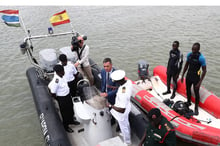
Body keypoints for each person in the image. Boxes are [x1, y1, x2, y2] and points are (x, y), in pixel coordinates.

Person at [48, 64, 80, 133]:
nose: (64, 72)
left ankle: (71, 120)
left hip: (68, 95)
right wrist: (58, 99)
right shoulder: (56, 81)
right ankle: (66, 126)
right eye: (62, 71)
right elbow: (53, 92)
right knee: (65, 113)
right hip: (62, 98)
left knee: (71, 108)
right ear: (58, 72)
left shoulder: (62, 76)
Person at [106, 70, 132, 145]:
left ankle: (127, 142)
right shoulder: (128, 82)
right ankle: (126, 135)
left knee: (123, 127)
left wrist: (110, 105)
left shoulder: (123, 93)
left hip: (122, 111)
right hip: (127, 106)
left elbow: (122, 110)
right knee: (126, 124)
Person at [181, 42, 207, 115]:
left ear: (198, 49)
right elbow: (186, 66)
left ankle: (196, 108)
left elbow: (204, 71)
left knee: (196, 93)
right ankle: (188, 102)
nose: (193, 51)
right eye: (192, 49)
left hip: (196, 77)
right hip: (189, 75)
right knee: (188, 89)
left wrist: (200, 82)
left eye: (195, 50)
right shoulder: (189, 55)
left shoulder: (201, 58)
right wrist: (183, 75)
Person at [100, 58, 119, 126]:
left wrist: (108, 94)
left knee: (116, 110)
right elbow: (103, 83)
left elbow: (117, 89)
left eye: (107, 66)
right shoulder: (102, 71)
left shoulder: (116, 74)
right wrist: (102, 92)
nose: (105, 68)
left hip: (113, 96)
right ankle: (112, 120)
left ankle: (118, 124)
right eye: (104, 66)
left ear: (111, 65)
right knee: (109, 108)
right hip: (105, 94)